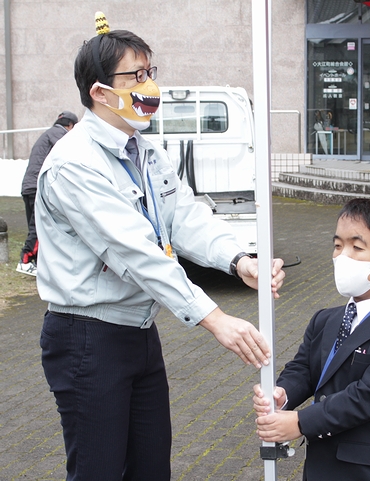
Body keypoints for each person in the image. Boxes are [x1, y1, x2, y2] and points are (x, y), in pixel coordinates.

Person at [35, 22, 285, 481]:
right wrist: (215, 318)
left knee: (152, 468)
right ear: (100, 92)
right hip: (87, 338)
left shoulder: (144, 151)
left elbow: (185, 216)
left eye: (151, 71)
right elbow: (136, 253)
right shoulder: (74, 164)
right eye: (136, 76)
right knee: (100, 471)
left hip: (139, 333)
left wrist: (238, 259)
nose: (150, 85)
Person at [253, 198, 370, 480]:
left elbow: (364, 398)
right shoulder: (326, 319)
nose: (341, 256)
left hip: (367, 473)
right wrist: (283, 394)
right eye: (337, 245)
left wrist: (299, 422)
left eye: (356, 247)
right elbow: (303, 369)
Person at [16, 111, 78, 276]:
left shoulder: (48, 134)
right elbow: (72, 155)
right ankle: (25, 260)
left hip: (29, 185)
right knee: (39, 225)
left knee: (35, 224)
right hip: (38, 186)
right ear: (70, 125)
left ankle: (37, 262)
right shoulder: (61, 135)